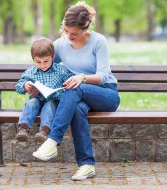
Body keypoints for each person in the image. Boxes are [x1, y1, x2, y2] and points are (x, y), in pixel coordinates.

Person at [32, 1, 120, 181]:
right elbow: (43, 67)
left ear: (85, 28)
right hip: (79, 96)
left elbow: (103, 76)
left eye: (74, 33)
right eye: (66, 31)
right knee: (78, 107)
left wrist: (82, 77)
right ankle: (86, 165)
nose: (69, 36)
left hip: (106, 94)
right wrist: (31, 83)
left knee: (75, 87)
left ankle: (52, 140)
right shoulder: (60, 45)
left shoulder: (98, 41)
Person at [15, 38, 74, 143]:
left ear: (53, 56)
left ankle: (44, 131)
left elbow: (70, 83)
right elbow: (18, 86)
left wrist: (65, 88)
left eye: (46, 61)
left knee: (50, 105)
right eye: (38, 62)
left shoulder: (61, 71)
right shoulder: (30, 72)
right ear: (33, 59)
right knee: (32, 102)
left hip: (53, 101)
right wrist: (25, 85)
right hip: (37, 100)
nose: (42, 65)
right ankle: (23, 129)